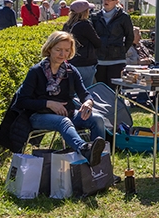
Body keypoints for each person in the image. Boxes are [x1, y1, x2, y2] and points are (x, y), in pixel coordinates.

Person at [12, 31, 107, 165]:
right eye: (58, 50)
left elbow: (84, 93)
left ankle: (100, 163)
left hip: (68, 113)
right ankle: (85, 149)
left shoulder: (71, 71)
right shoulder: (36, 71)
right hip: (39, 115)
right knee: (63, 122)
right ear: (49, 49)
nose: (63, 54)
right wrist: (48, 103)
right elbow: (22, 101)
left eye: (67, 50)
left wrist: (88, 102)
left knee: (97, 119)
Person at [90, 0, 135, 86]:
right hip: (100, 60)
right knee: (101, 89)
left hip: (117, 60)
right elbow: (92, 36)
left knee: (114, 89)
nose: (106, 1)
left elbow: (130, 36)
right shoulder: (95, 17)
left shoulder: (123, 17)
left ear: (116, 2)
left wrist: (122, 50)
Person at [62, 0, 100, 87]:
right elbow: (97, 42)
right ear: (84, 12)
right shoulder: (85, 25)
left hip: (70, 62)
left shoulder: (66, 25)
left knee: (72, 90)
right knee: (85, 90)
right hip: (85, 63)